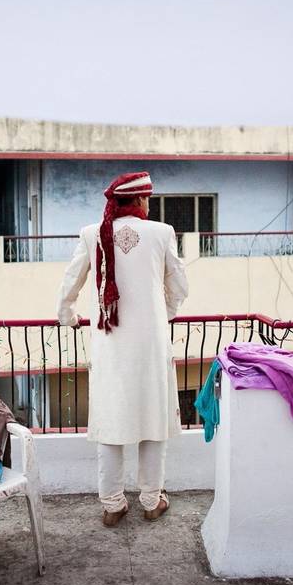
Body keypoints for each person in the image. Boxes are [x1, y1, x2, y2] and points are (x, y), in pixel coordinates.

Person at [56, 171, 188, 527]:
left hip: (110, 343)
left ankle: (113, 504)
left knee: (112, 420)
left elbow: (71, 280)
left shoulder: (92, 234)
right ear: (141, 200)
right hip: (151, 343)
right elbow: (178, 284)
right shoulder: (162, 233)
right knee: (153, 418)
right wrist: (165, 315)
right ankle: (150, 500)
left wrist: (67, 316)